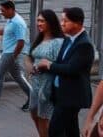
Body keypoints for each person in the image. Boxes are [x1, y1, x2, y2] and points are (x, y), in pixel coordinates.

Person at [36, 7, 92, 137]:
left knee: (55, 130)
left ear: (77, 23)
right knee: (70, 128)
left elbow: (71, 69)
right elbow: (60, 61)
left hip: (71, 96)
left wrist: (49, 65)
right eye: (61, 20)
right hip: (61, 92)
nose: (62, 24)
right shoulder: (68, 39)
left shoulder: (84, 45)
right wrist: (42, 66)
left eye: (65, 21)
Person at [24, 10, 64, 137]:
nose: (38, 23)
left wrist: (44, 65)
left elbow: (59, 64)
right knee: (34, 112)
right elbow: (28, 56)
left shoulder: (58, 42)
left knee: (44, 116)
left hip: (48, 84)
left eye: (42, 21)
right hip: (35, 83)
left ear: (50, 22)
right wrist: (30, 67)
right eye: (38, 20)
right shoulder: (39, 38)